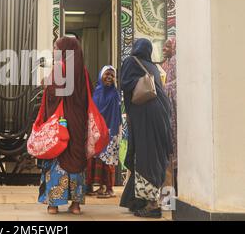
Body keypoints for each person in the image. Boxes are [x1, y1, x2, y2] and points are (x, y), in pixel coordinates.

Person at [119, 38, 173, 219]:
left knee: (146, 158)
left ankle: (152, 205)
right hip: (162, 115)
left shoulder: (130, 62)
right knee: (157, 157)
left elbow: (125, 84)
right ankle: (151, 202)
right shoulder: (152, 66)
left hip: (146, 115)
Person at [38, 37, 89, 215]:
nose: (53, 51)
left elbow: (54, 92)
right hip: (78, 123)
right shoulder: (82, 71)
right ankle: (75, 205)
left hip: (61, 124)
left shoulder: (60, 67)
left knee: (57, 157)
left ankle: (53, 204)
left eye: (55, 47)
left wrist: (45, 83)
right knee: (77, 159)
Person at [86, 66, 121, 198]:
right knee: (96, 159)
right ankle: (98, 186)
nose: (109, 77)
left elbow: (116, 114)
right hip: (97, 131)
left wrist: (113, 131)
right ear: (101, 75)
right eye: (107, 74)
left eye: (112, 75)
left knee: (108, 160)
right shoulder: (97, 92)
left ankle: (108, 188)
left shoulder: (115, 94)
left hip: (111, 130)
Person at [161, 38, 177, 193]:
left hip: (172, 118)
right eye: (164, 46)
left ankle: (168, 201)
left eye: (168, 46)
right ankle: (167, 200)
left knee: (169, 162)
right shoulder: (163, 65)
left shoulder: (175, 63)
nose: (164, 48)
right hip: (165, 118)